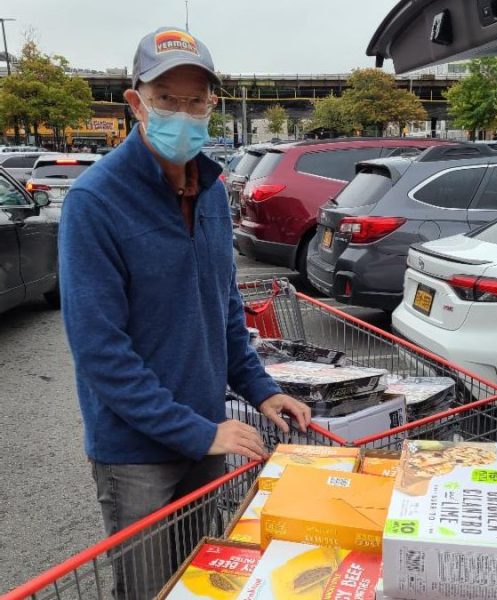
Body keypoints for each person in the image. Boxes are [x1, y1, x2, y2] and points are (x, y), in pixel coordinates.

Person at [59, 26, 310, 600]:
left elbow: (222, 305)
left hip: (208, 435)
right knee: (149, 588)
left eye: (195, 101)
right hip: (138, 451)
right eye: (167, 99)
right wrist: (198, 432)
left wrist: (260, 387)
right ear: (136, 102)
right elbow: (101, 350)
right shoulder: (95, 201)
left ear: (212, 105)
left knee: (200, 582)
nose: (183, 112)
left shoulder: (213, 190)